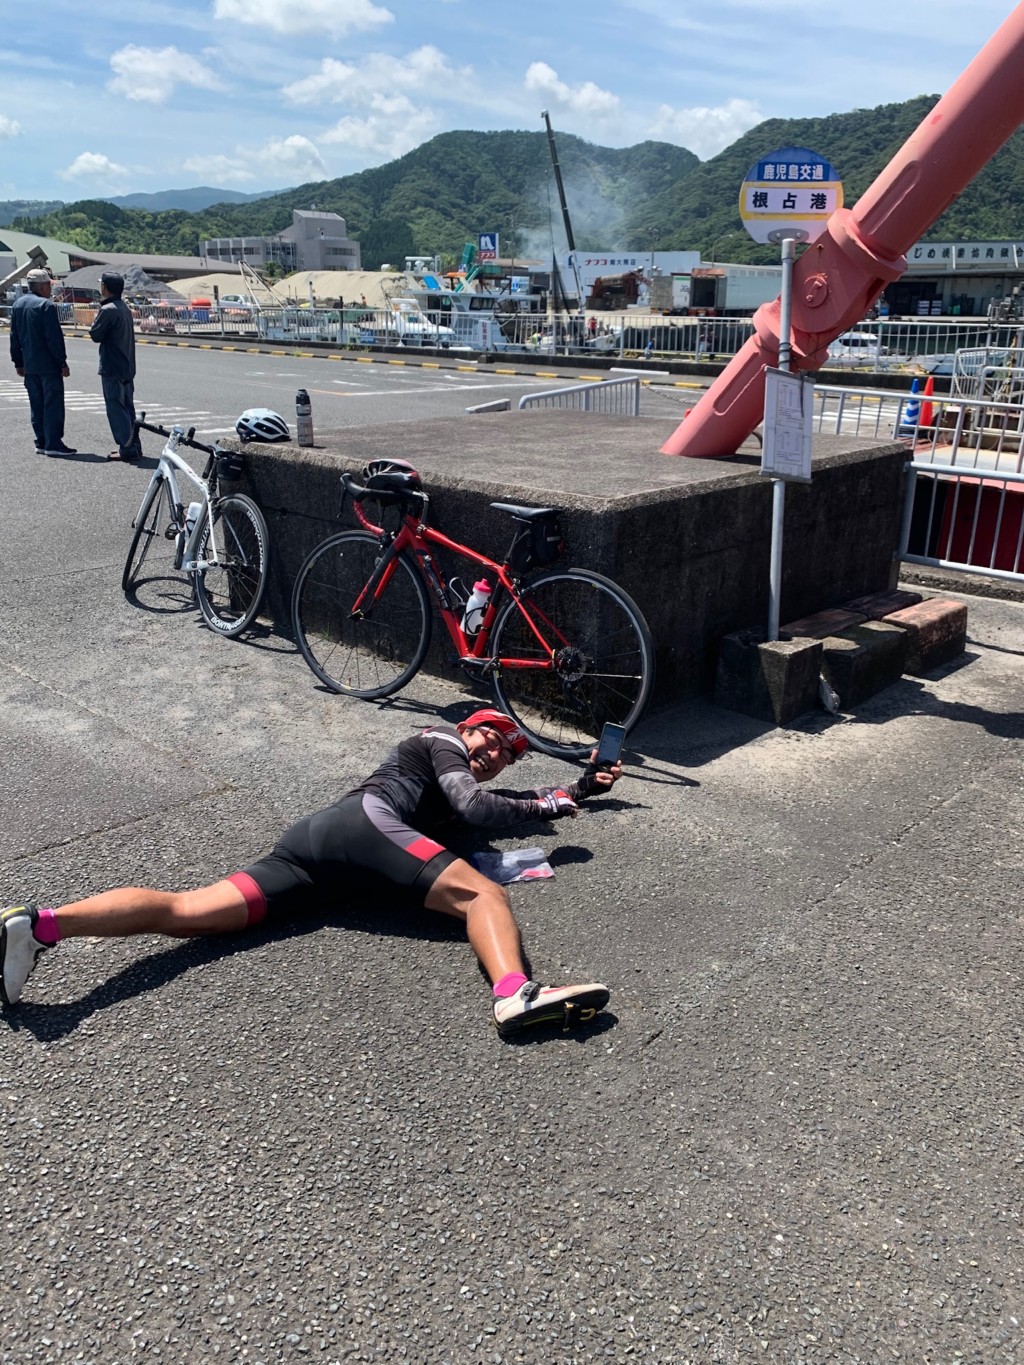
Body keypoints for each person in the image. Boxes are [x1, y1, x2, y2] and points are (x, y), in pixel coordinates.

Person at [0, 710, 622, 1037]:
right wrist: (548, 806)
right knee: (481, 895)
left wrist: (576, 791)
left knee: (189, 912)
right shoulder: (440, 740)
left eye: (505, 756)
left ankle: (38, 925)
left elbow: (494, 806)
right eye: (491, 738)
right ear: (467, 728)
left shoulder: (453, 772)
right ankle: (515, 993)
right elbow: (476, 807)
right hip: (366, 826)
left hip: (317, 851)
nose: (494, 754)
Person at [8, 267, 76, 457]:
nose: (50, 289)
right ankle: (53, 443)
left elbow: (14, 337)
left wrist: (18, 362)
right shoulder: (46, 306)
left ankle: (41, 441)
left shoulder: (18, 305)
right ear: (43, 286)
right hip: (48, 365)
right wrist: (62, 363)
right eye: (49, 285)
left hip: (29, 365)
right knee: (52, 404)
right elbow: (53, 338)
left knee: (36, 404)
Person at [89, 271, 143, 461]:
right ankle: (134, 445)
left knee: (116, 408)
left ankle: (126, 449)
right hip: (127, 365)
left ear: (105, 287)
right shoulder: (123, 307)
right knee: (128, 408)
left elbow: (95, 334)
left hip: (112, 365)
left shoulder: (108, 309)